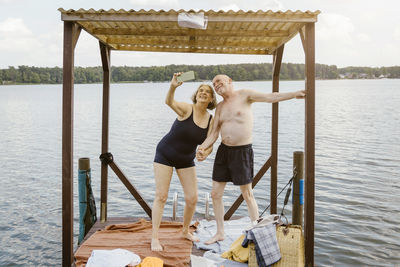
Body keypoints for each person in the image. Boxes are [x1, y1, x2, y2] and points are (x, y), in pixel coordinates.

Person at [196, 74, 306, 244]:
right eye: (214, 84)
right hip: (224, 152)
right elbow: (214, 133)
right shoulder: (219, 107)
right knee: (215, 194)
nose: (216, 85)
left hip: (242, 152)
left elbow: (271, 97)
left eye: (219, 81)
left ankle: (257, 233)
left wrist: (293, 94)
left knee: (247, 194)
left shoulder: (245, 95)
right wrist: (202, 147)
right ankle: (220, 232)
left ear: (230, 81)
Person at [151, 73, 217, 251]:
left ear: (211, 98)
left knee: (192, 198)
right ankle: (154, 238)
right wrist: (173, 86)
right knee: (161, 196)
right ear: (196, 95)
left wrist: (204, 153)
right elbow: (169, 102)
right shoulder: (187, 109)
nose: (203, 93)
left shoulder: (211, 120)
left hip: (186, 159)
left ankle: (185, 231)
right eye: (200, 90)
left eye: (207, 92)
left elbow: (210, 143)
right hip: (165, 154)